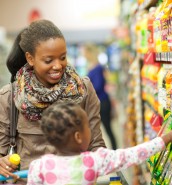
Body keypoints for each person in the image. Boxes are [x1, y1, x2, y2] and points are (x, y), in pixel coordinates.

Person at [0, 20, 106, 183]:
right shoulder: (10, 95)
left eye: (62, 57)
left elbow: (97, 145)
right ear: (30, 58)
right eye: (48, 60)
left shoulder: (83, 90)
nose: (58, 66)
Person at [27, 102, 172, 185]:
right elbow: (134, 155)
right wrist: (166, 138)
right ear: (78, 137)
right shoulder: (93, 161)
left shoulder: (38, 166)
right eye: (87, 127)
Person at [82, 43, 117, 149]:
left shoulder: (97, 68)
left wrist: (85, 90)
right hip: (100, 102)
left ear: (89, 53)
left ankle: (114, 151)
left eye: (85, 53)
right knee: (99, 129)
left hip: (102, 102)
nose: (84, 55)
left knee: (107, 129)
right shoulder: (93, 67)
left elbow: (97, 86)